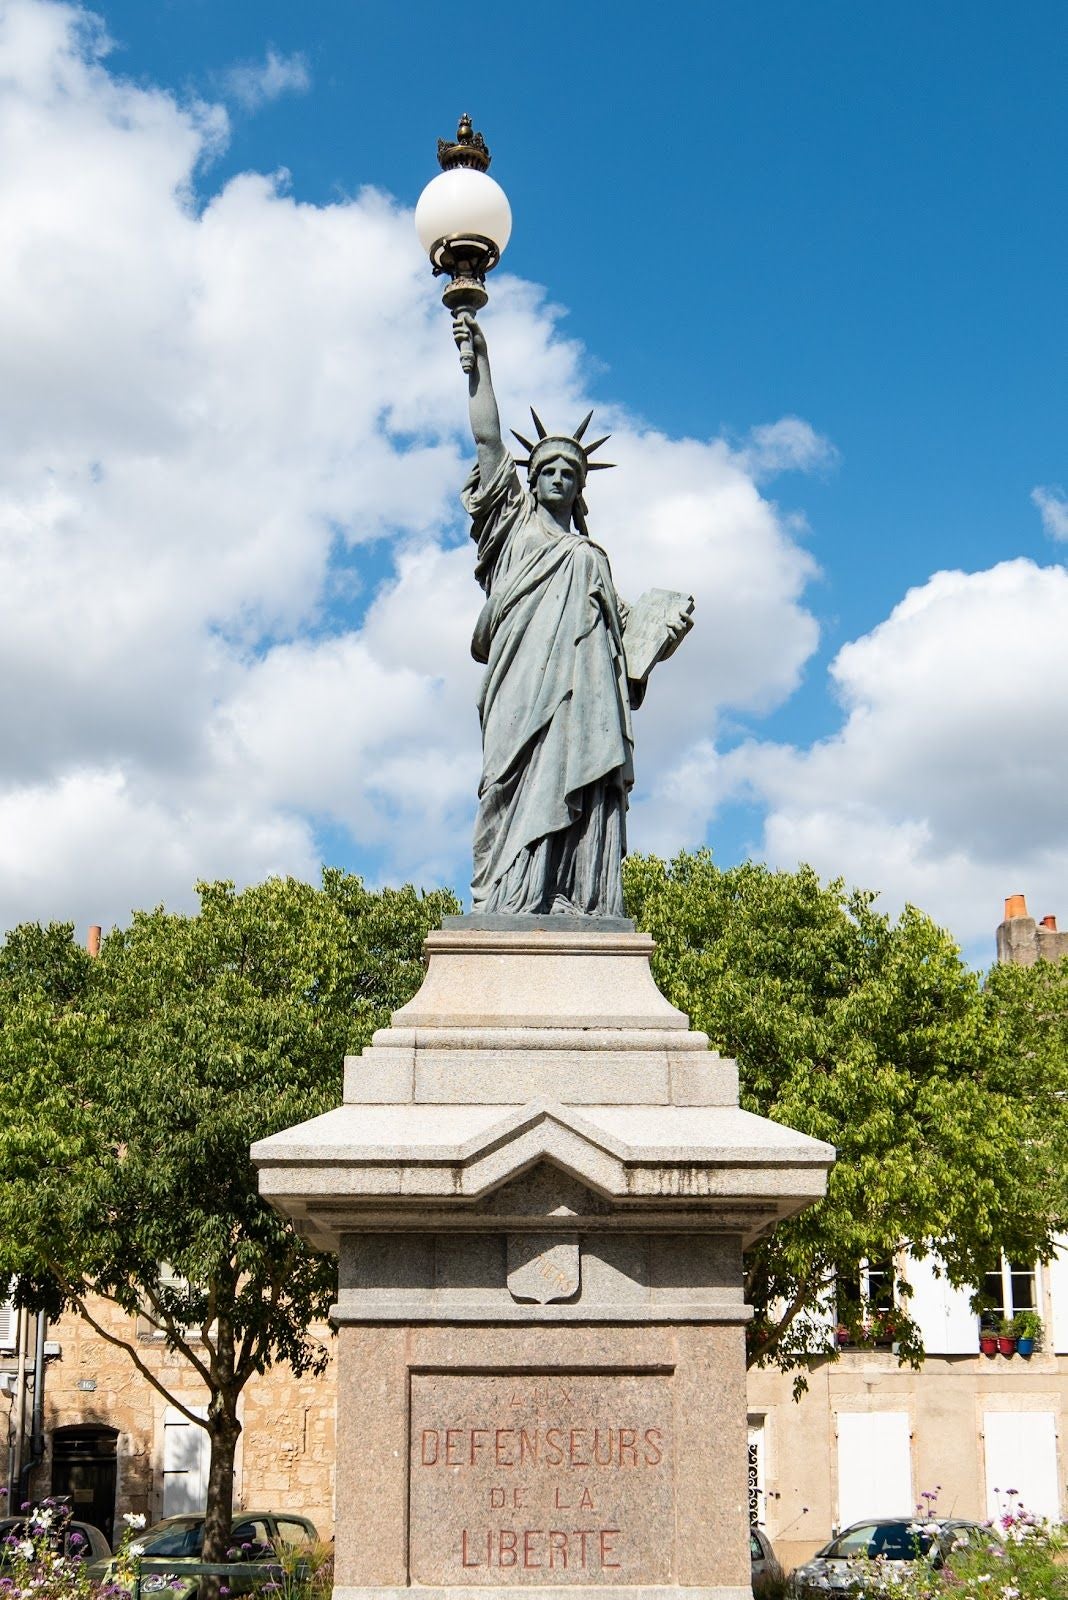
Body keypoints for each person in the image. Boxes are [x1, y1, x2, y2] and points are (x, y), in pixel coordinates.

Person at [454, 310, 691, 918]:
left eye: (570, 472)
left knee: (579, 779)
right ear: (530, 480)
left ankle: (569, 893)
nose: (558, 477)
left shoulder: (592, 557)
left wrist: (657, 632)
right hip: (521, 682)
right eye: (548, 470)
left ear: (581, 486)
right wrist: (479, 361)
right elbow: (487, 438)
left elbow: (623, 635)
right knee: (508, 783)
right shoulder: (511, 525)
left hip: (583, 696)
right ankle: (510, 895)